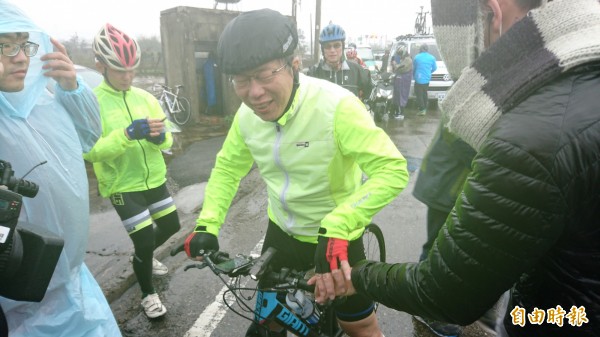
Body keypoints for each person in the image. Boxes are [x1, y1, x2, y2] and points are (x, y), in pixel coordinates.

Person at [326, 0, 600, 336]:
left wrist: (357, 275)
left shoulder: (527, 137)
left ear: (492, 14)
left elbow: (446, 292)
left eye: (476, 68)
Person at [182, 8, 408, 337]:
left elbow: (392, 168)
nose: (254, 92)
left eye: (263, 74)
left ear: (295, 64)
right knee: (268, 318)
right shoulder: (247, 117)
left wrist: (341, 223)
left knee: (360, 327)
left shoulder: (337, 107)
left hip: (335, 239)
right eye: (242, 81)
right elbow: (228, 169)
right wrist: (208, 223)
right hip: (282, 233)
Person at [0, 1, 121, 336]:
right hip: (18, 307)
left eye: (24, 43)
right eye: (4, 44)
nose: (21, 56)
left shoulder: (40, 102)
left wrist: (72, 88)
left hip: (75, 283)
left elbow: (88, 136)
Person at [82, 23, 181, 319]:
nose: (128, 77)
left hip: (154, 178)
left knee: (172, 227)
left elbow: (168, 137)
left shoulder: (145, 97)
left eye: (131, 71)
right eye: (120, 71)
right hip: (123, 185)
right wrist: (125, 135)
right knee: (144, 240)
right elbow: (91, 150)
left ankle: (145, 258)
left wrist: (158, 137)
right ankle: (148, 295)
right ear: (101, 65)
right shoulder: (92, 101)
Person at [307, 23, 372, 99]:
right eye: (328, 46)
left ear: (343, 47)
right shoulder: (314, 73)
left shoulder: (357, 71)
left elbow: (368, 94)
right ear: (322, 49)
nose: (332, 50)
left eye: (336, 45)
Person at [412, 43, 436, 116]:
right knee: (424, 93)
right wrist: (429, 72)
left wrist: (414, 75)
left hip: (418, 78)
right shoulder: (432, 58)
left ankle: (422, 109)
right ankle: (424, 107)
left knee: (419, 94)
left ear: (421, 49)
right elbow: (435, 68)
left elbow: (414, 68)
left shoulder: (417, 57)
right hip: (427, 78)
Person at [390, 44, 412, 120]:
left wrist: (396, 65)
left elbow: (402, 69)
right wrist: (394, 64)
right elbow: (394, 68)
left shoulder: (408, 60)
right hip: (398, 79)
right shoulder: (399, 58)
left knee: (402, 95)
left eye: (400, 53)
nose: (398, 55)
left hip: (404, 80)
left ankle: (401, 113)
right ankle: (396, 111)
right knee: (396, 95)